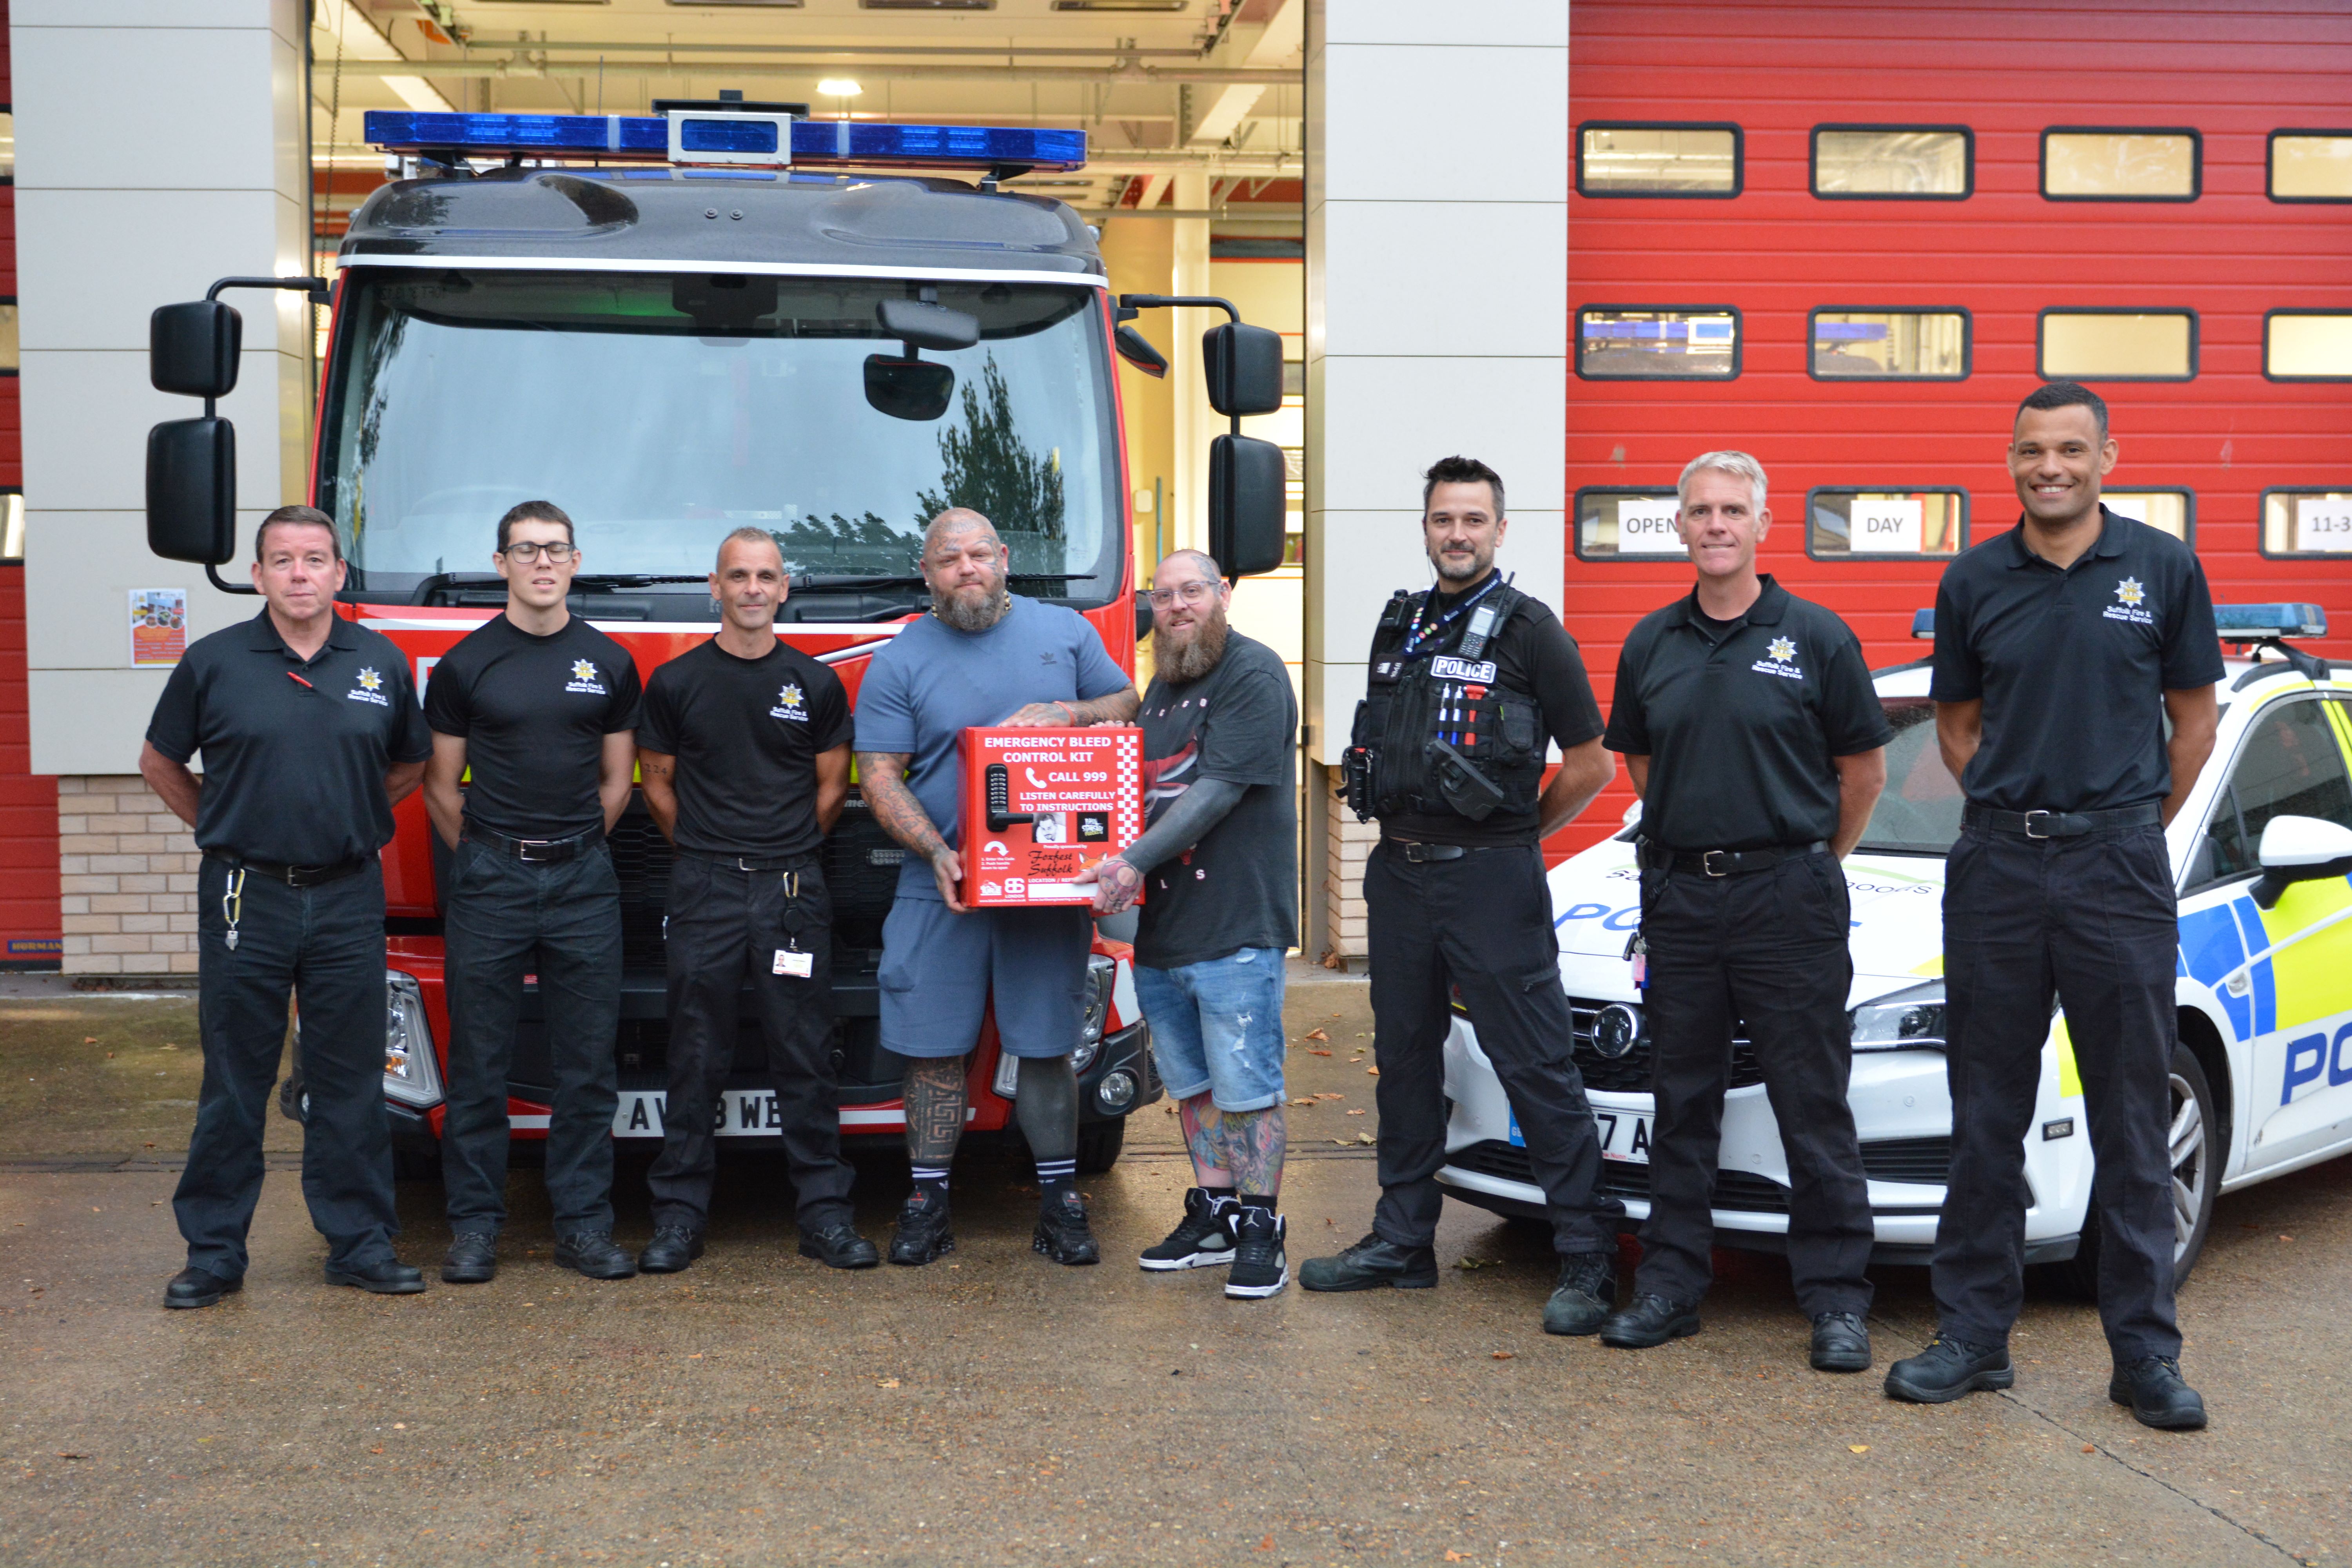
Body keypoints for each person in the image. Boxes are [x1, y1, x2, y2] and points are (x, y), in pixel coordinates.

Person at [1886, 382, 2221, 1430]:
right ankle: (1975, 1339)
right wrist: (2027, 814)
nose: (2052, 467)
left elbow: (2195, 723)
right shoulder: (1975, 577)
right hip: (1996, 871)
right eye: (2034, 450)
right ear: (2012, 461)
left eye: (2072, 449)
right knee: (1986, 1115)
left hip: (2118, 871)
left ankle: (2145, 1358)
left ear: (2108, 458)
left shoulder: (2162, 569)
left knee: (2130, 1116)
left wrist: (2117, 823)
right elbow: (1955, 730)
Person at [1307, 456, 1624, 1333]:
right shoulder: (1401, 623)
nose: (1458, 534)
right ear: (1425, 527)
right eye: (1444, 519)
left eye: (1474, 520)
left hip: (1491, 881)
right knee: (1406, 1061)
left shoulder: (1532, 631)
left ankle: (1586, 1256)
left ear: (1499, 529)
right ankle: (1403, 1240)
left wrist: (1519, 836)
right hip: (1400, 874)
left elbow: (1593, 763)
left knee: (1535, 1063)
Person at [1593, 452, 1890, 1370]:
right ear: (1678, 527)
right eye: (1700, 510)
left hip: (1787, 899)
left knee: (1813, 1105)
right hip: (1682, 897)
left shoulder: (1817, 636)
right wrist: (1703, 848)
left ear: (1764, 525)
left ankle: (1838, 1301)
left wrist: (1798, 863)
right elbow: (1644, 767)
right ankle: (1673, 1285)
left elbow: (1864, 773)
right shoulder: (1650, 642)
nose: (1716, 524)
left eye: (1733, 509)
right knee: (1681, 1103)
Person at [139, 505, 434, 1307]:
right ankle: (213, 1252)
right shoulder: (213, 662)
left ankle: (360, 1243)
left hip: (346, 893)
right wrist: (224, 825)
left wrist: (351, 818)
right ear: (260, 574)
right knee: (235, 1080)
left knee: (350, 1079)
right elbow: (160, 759)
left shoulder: (380, 662)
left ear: (340, 573)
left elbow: (410, 763)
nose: (299, 573)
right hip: (247, 895)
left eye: (314, 559)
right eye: (282, 559)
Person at [854, 507, 1139, 1267]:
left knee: (1047, 1047)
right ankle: (926, 1201)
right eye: (950, 558)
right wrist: (936, 850)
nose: (967, 568)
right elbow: (878, 774)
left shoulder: (1065, 633)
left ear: (1006, 558)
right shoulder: (901, 657)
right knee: (932, 1051)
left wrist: (1068, 712)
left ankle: (1059, 1201)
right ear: (929, 573)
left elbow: (1128, 704)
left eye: (980, 553)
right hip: (939, 881)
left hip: (1043, 883)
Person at [634, 527, 877, 1274]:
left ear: (783, 589)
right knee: (695, 1051)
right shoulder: (678, 684)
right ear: (715, 587)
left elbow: (833, 785)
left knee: (803, 1051)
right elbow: (658, 781)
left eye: (765, 576)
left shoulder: (814, 683)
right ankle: (678, 1219)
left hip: (792, 889)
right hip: (705, 883)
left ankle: (826, 1216)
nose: (751, 589)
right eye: (737, 576)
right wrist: (709, 854)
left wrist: (787, 853)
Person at [423, 501, 642, 1285]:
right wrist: (492, 857)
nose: (543, 563)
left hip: (584, 880)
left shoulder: (610, 662)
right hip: (491, 879)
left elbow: (618, 780)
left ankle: (583, 1226)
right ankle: (476, 1228)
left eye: (556, 550)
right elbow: (441, 787)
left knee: (586, 1064)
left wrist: (572, 847)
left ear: (576, 562)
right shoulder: (465, 665)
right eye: (527, 550)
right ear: (501, 562)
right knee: (480, 1060)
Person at [1073, 549, 1298, 1299]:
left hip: (1236, 925)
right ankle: (1215, 1211)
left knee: (1246, 1086)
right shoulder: (1164, 687)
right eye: (1163, 596)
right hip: (1166, 928)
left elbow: (1218, 791)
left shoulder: (1254, 675)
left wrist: (1128, 864)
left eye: (1191, 591)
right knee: (1195, 1086)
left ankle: (1263, 1227)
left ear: (1223, 595)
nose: (1176, 607)